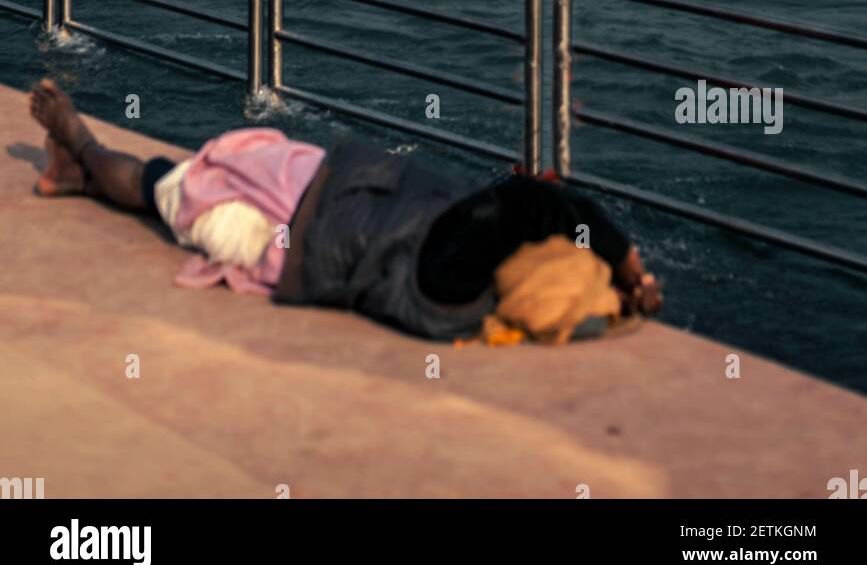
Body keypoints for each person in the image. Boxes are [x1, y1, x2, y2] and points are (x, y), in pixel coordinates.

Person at [29, 79, 661, 341]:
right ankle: (78, 167)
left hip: (314, 211)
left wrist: (622, 258)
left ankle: (80, 152)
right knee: (173, 185)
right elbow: (537, 205)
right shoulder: (455, 281)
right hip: (328, 200)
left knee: (171, 187)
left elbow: (534, 203)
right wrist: (623, 270)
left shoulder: (449, 280)